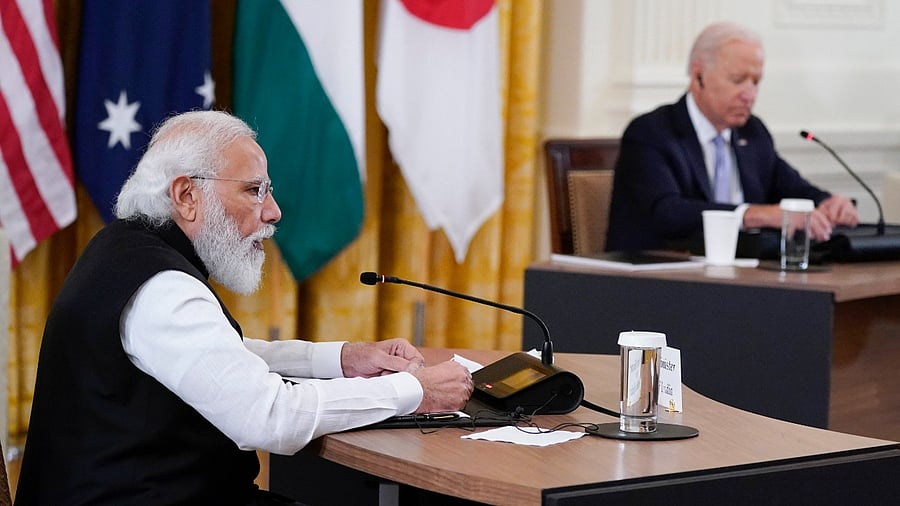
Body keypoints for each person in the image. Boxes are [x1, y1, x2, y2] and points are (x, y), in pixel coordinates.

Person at [15, 110, 474, 505]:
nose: (272, 211)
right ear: (186, 196)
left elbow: (217, 359)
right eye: (254, 190)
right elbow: (268, 417)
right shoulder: (161, 288)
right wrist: (415, 391)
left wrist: (343, 359)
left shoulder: (126, 251)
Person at [605, 21, 859, 252]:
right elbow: (667, 212)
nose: (749, 94)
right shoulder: (652, 133)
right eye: (738, 80)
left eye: (756, 81)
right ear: (698, 75)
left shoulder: (752, 132)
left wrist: (827, 204)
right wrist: (752, 215)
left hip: (742, 278)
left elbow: (791, 187)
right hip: (661, 276)